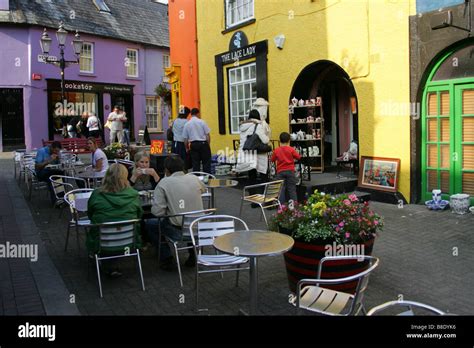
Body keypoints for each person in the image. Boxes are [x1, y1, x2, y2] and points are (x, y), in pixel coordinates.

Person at [146, 156, 206, 271]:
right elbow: (203, 189)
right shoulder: (194, 178)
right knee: (187, 216)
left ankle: (166, 257)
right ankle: (193, 252)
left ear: (166, 170)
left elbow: (157, 212)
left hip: (178, 231)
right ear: (182, 168)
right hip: (199, 228)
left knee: (150, 223)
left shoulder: (164, 183)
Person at [87, 163, 143, 277]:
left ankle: (106, 263)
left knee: (96, 228)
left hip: (102, 242)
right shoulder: (133, 195)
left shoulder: (97, 194)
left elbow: (90, 215)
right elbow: (139, 215)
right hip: (129, 241)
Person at [235, 109, 271, 187]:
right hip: (257, 153)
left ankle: (252, 193)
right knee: (263, 174)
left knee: (251, 175)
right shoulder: (257, 125)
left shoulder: (243, 126)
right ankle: (263, 194)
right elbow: (265, 140)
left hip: (246, 152)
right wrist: (268, 136)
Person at [271, 132, 301, 203]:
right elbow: (298, 157)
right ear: (289, 140)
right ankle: (295, 206)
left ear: (280, 140)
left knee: (281, 189)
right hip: (290, 171)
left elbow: (272, 160)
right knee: (292, 189)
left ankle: (281, 207)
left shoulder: (277, 150)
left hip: (280, 171)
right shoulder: (291, 149)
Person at [182, 108, 212, 174]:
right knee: (206, 163)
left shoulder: (187, 124)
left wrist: (187, 148)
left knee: (195, 164)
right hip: (203, 143)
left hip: (193, 144)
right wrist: (208, 145)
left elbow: (185, 139)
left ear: (191, 114)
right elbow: (207, 135)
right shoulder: (202, 122)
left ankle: (196, 179)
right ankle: (208, 179)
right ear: (198, 113)